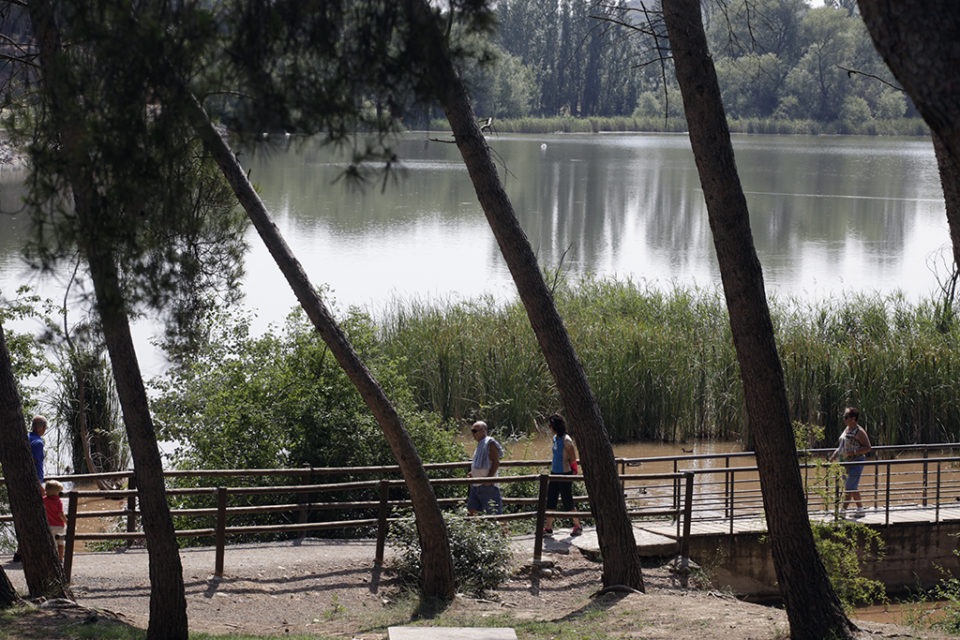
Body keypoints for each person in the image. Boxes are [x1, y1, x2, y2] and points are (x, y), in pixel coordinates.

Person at [13, 416, 47, 563]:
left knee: (26, 516)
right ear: (40, 427)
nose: (45, 430)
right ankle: (24, 551)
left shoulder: (25, 437)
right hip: (34, 484)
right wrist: (40, 486)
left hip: (21, 484)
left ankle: (21, 550)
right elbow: (31, 464)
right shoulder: (38, 443)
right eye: (45, 426)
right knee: (36, 518)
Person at [828, 407, 872, 518]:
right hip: (845, 462)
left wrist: (854, 452)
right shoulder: (847, 429)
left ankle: (842, 511)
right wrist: (835, 454)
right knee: (851, 486)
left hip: (856, 461)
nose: (844, 419)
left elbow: (868, 447)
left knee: (849, 487)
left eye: (846, 417)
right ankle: (860, 509)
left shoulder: (859, 431)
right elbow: (842, 445)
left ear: (853, 418)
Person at [544, 413, 582, 537]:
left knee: (568, 501)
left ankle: (577, 526)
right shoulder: (556, 438)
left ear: (556, 426)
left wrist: (573, 472)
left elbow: (573, 457)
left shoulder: (566, 439)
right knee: (551, 500)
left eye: (551, 425)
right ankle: (548, 528)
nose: (549, 428)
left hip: (565, 474)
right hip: (554, 473)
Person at [466, 421, 504, 516]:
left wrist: (489, 479)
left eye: (475, 431)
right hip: (476, 484)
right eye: (472, 431)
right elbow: (479, 463)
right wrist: (472, 473)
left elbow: (496, 462)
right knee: (471, 509)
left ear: (483, 431)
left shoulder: (489, 443)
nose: (473, 434)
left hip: (488, 485)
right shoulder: (479, 445)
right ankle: (476, 529)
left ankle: (505, 531)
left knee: (495, 512)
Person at [43, 480, 67, 563]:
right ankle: (60, 558)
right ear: (56, 492)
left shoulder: (44, 500)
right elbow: (60, 514)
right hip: (59, 526)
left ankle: (52, 559)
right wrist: (66, 521)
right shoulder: (58, 501)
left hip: (49, 525)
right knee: (61, 543)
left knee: (52, 543)